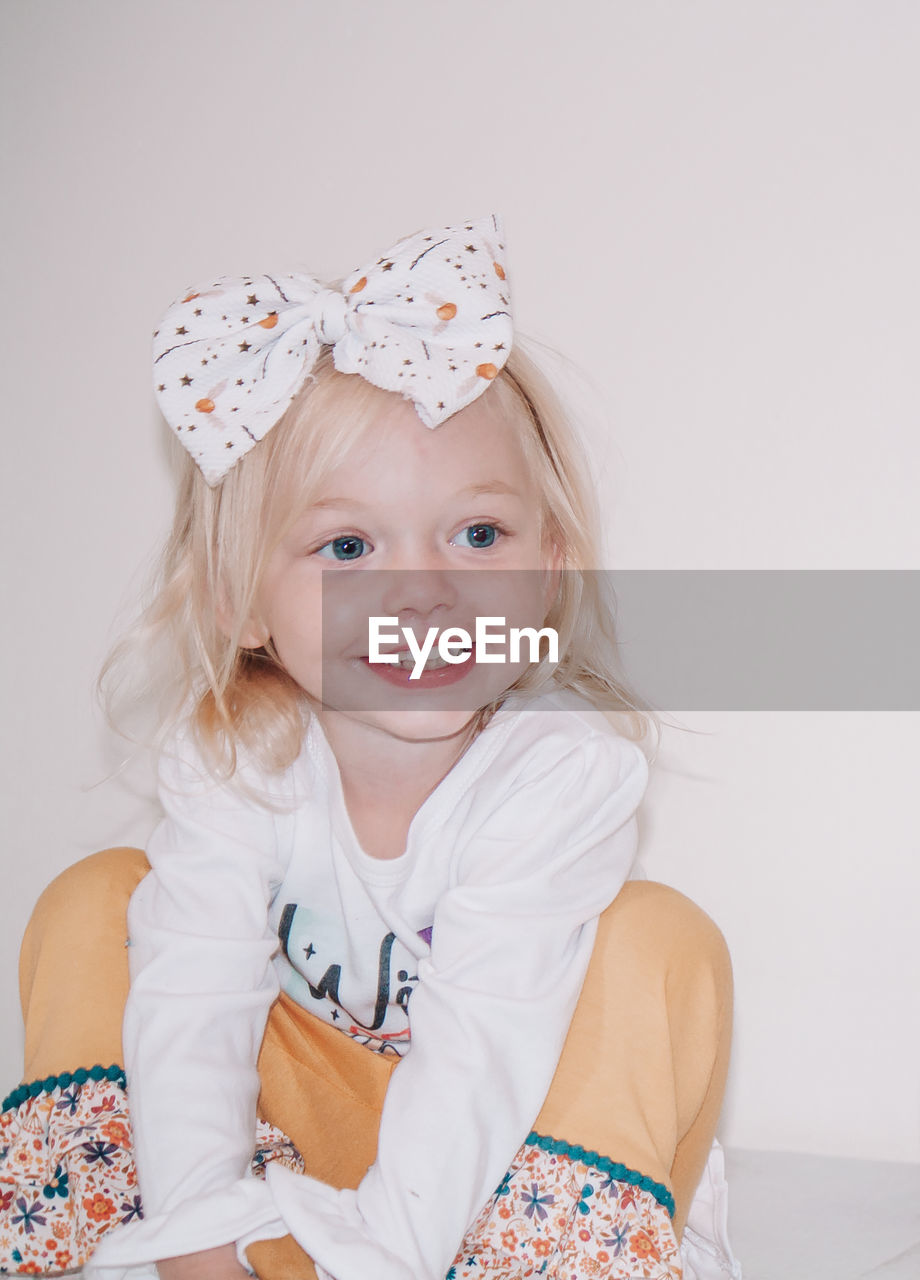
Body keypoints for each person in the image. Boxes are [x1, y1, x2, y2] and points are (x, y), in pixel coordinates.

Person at [0, 217, 737, 1280]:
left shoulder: (557, 772)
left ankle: (536, 1261)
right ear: (238, 603)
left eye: (477, 535)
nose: (423, 591)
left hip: (491, 1155)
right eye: (347, 546)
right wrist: (199, 1236)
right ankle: (107, 1230)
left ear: (549, 570)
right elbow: (196, 1002)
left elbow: (482, 1050)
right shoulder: (235, 762)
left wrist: (383, 1256)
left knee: (658, 939)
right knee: (98, 898)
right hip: (290, 1148)